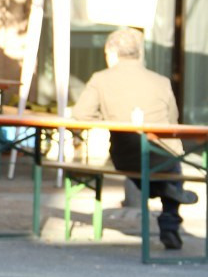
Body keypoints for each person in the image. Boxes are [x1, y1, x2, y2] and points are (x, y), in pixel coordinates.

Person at [72, 27, 198, 250]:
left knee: (142, 167)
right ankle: (169, 222)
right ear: (139, 53)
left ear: (110, 53)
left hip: (126, 154)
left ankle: (161, 190)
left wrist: (107, 114)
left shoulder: (100, 80)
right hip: (165, 155)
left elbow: (81, 115)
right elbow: (172, 121)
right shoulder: (161, 81)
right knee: (170, 169)